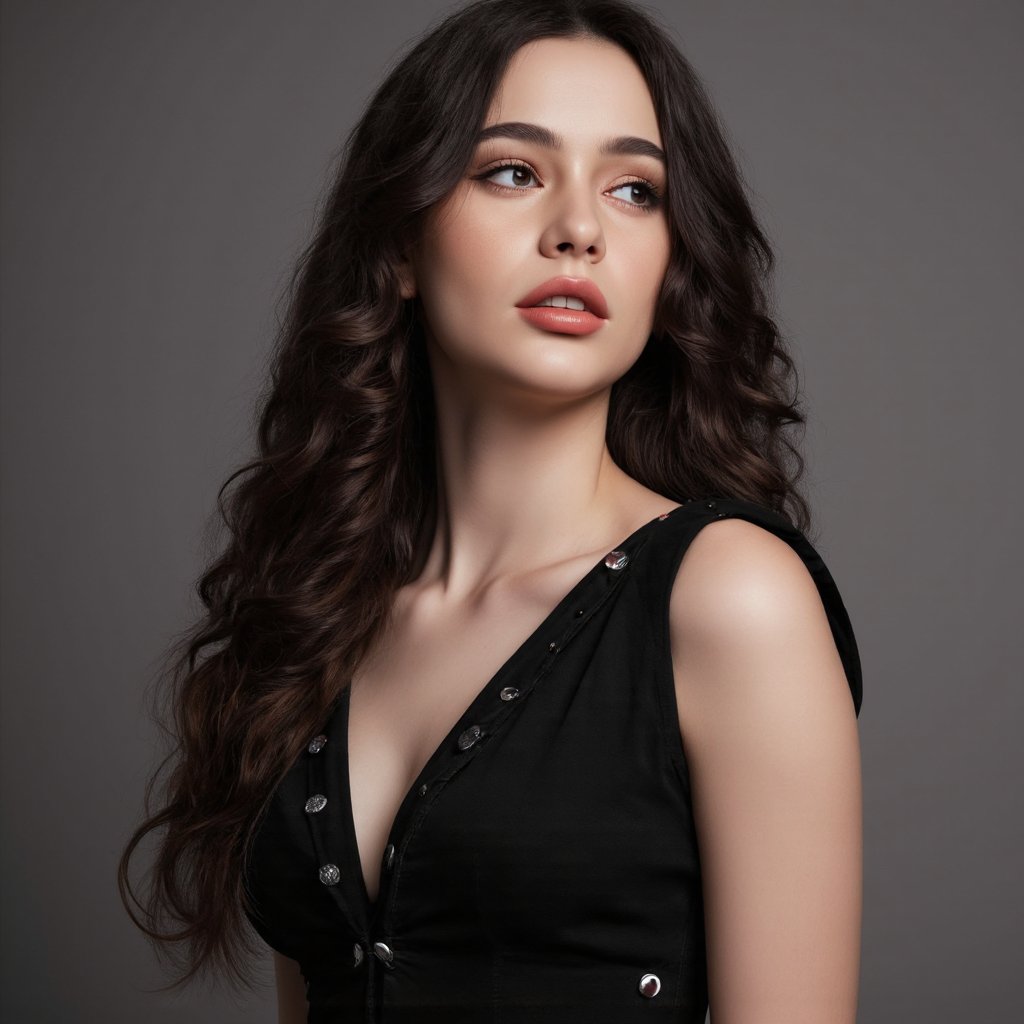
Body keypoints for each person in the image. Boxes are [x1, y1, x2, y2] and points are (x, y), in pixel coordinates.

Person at [119, 1, 864, 1021]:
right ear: (396, 247)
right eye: (512, 171)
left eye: (635, 189)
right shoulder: (322, 610)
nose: (578, 229)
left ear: (672, 265)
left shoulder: (730, 597)